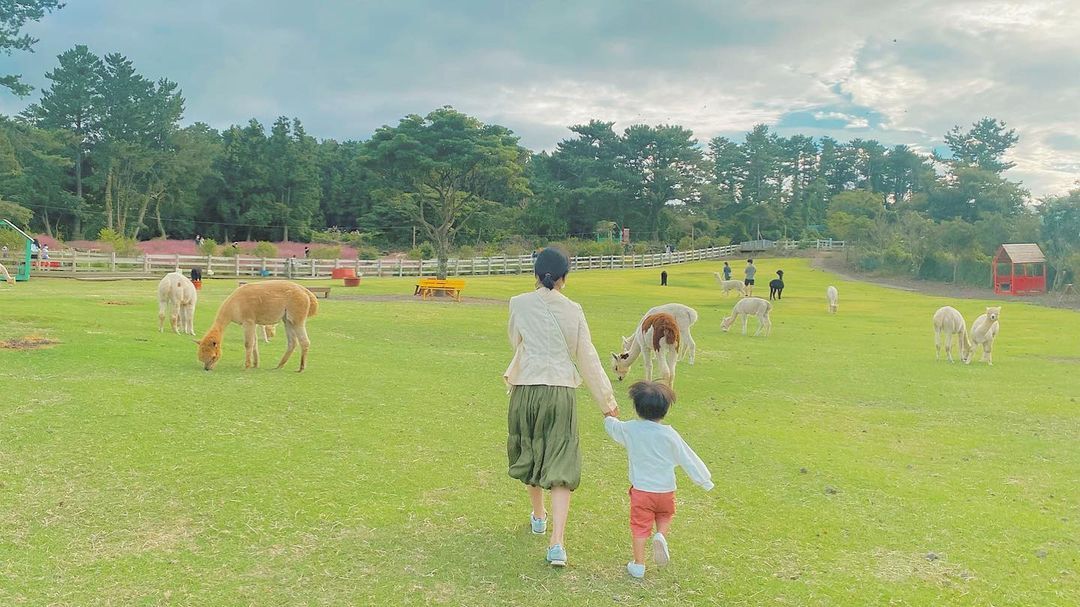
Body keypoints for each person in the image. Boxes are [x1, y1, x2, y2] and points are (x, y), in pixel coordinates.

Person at [504, 246, 619, 568]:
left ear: (536, 273)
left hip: (526, 388)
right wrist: (607, 402)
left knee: (530, 450)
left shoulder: (518, 303)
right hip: (560, 391)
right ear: (564, 277)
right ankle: (557, 543)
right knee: (561, 462)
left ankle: (538, 516)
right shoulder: (573, 310)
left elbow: (516, 342)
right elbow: (588, 358)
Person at [604, 381, 713, 579]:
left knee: (640, 526)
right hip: (666, 490)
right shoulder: (670, 434)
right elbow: (688, 457)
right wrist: (704, 480)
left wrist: (609, 417)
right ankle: (661, 535)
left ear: (637, 408)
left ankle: (639, 564)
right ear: (665, 410)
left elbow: (614, 427)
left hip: (642, 492)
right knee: (664, 515)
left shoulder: (631, 429)